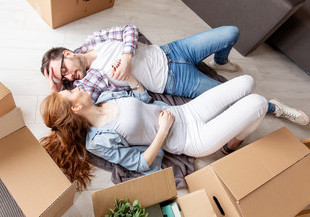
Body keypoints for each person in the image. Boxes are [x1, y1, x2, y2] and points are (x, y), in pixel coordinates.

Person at [40, 25, 309, 126]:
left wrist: (126, 59)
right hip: (175, 80)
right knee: (236, 97)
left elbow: (129, 30)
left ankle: (221, 62)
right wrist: (55, 87)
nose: (69, 76)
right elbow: (66, 107)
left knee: (232, 32)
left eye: (63, 68)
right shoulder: (90, 82)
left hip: (172, 50)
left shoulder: (93, 40)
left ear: (67, 52)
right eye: (63, 79)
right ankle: (274, 107)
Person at [40, 74, 269, 190]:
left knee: (247, 82)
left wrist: (129, 78)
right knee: (259, 103)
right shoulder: (98, 141)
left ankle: (232, 142)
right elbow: (141, 163)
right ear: (76, 108)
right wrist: (163, 131)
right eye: (70, 93)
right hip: (191, 138)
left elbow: (143, 99)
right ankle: (233, 143)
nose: (76, 86)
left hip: (185, 111)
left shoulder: (105, 98)